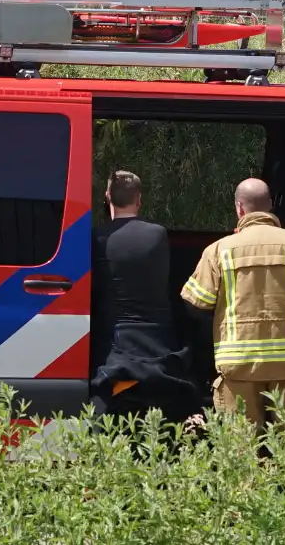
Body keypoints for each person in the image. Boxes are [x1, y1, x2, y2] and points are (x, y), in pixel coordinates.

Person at [179, 177, 285, 432]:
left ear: (239, 208)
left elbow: (197, 305)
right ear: (271, 205)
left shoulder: (218, 251)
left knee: (241, 450)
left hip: (239, 364)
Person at [90, 170, 202, 424]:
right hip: (158, 339)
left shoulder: (97, 239)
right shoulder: (157, 234)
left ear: (107, 197)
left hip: (115, 341)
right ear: (139, 199)